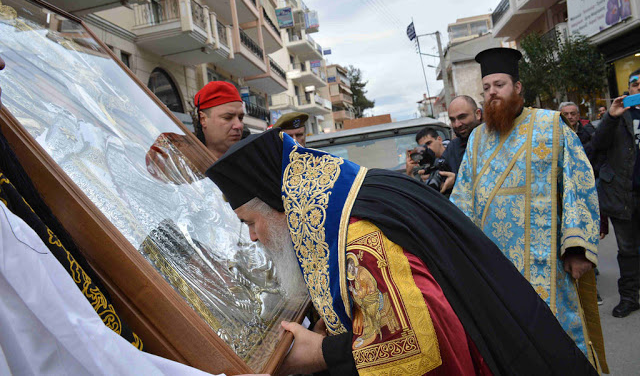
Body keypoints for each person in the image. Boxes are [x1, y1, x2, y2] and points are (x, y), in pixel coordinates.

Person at [206, 128, 599, 375]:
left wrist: (324, 353)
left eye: (250, 223)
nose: (254, 237)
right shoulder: (360, 193)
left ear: (283, 207)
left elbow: (421, 345)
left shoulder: (357, 236)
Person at [450, 48, 605, 370]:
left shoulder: (551, 126)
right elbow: (462, 201)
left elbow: (579, 183)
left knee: (560, 343)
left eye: (500, 84)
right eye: (487, 87)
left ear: (517, 88)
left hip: (548, 264)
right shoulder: (477, 140)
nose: (492, 92)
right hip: (496, 268)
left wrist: (577, 248)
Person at [591, 67, 640, 318]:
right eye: (635, 83)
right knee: (628, 250)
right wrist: (610, 117)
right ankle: (630, 297)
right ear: (628, 89)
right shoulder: (618, 116)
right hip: (623, 195)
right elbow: (597, 144)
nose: (639, 87)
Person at [193, 81, 245, 159]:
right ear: (203, 119)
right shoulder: (183, 165)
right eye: (227, 117)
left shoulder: (254, 165)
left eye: (240, 118)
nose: (238, 125)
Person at [442, 95, 482, 175]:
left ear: (478, 114)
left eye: (462, 117)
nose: (457, 124)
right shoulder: (452, 148)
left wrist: (457, 180)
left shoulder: (495, 139)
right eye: (452, 120)